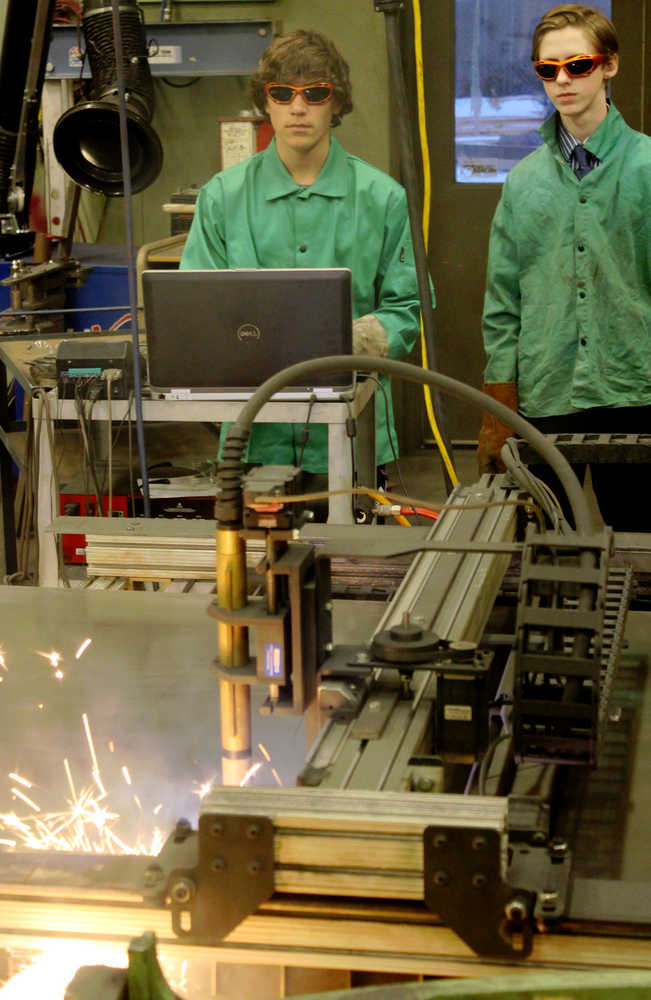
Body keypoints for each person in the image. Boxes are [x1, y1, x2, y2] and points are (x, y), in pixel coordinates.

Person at [180, 28, 422, 484]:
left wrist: (340, 342)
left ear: (336, 102)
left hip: (355, 430)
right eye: (282, 93)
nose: (297, 108)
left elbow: (409, 309)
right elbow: (197, 310)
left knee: (356, 557)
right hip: (253, 434)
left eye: (314, 93)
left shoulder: (382, 199)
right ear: (265, 102)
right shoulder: (222, 198)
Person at [477, 4, 650, 531]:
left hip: (635, 392)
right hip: (545, 392)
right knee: (547, 553)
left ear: (609, 66)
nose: (562, 80)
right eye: (547, 69)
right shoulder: (524, 182)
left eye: (577, 65)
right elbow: (503, 301)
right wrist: (499, 402)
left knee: (642, 549)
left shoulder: (646, 169)